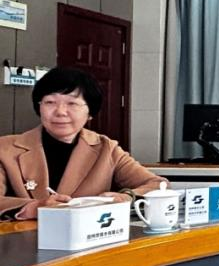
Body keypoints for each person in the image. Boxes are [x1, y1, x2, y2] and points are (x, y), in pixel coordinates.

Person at [0, 67, 166, 219]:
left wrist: (126, 197)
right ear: (39, 107)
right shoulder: (6, 148)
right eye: (50, 102)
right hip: (19, 238)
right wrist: (34, 207)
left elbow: (157, 185)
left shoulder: (107, 149)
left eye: (72, 103)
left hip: (88, 237)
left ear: (90, 112)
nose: (60, 112)